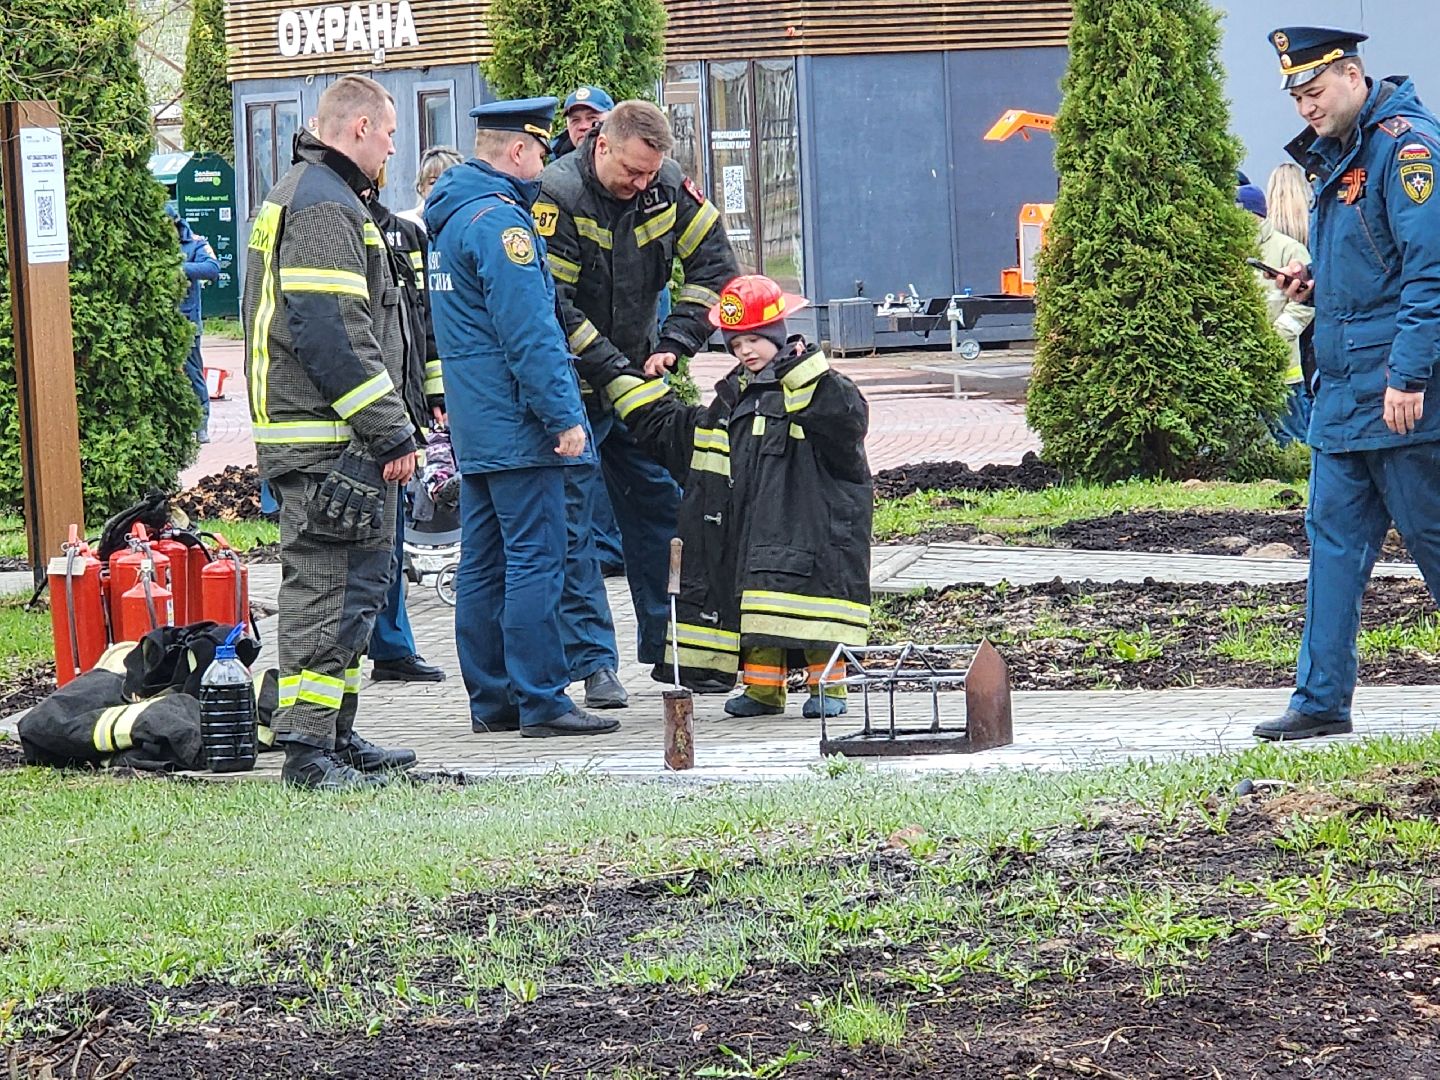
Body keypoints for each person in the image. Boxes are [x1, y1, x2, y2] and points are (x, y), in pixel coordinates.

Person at [1254, 27, 1440, 741]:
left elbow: (1428, 272)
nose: (1304, 107)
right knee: (1331, 550)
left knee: (1433, 543)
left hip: (1401, 401)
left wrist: (1411, 375)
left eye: (1314, 90)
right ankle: (1320, 700)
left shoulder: (1405, 148)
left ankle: (1321, 697)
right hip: (1342, 397)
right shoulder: (1339, 156)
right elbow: (1377, 265)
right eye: (1296, 96)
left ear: (1354, 75)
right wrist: (1316, 280)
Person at [579, 275, 872, 715]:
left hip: (811, 530)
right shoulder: (732, 400)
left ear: (777, 334)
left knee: (816, 614)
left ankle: (828, 688)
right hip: (754, 532)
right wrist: (618, 378)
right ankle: (763, 689)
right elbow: (676, 432)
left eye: (754, 340)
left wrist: (802, 368)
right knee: (754, 613)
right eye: (735, 346)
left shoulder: (816, 388)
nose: (745, 352)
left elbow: (846, 417)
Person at [241, 73, 420, 787]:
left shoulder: (322, 194)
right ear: (357, 130)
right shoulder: (323, 203)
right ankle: (308, 754)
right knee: (326, 588)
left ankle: (337, 734)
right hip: (324, 440)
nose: (392, 148)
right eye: (389, 133)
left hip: (329, 436)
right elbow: (331, 332)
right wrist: (389, 431)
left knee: (354, 590)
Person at [424, 96, 621, 738]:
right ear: (517, 152)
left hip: (478, 423)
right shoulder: (500, 224)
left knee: (483, 561)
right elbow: (531, 333)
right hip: (518, 423)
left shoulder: (453, 216)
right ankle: (542, 697)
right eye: (538, 152)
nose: (543, 164)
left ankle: (492, 699)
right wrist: (564, 417)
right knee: (538, 557)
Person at [537, 99, 740, 688]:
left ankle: (670, 647)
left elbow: (715, 269)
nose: (641, 184)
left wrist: (677, 341)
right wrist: (609, 368)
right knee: (576, 524)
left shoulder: (669, 185)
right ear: (600, 144)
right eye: (631, 172)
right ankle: (594, 664)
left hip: (641, 379)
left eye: (651, 173)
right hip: (574, 384)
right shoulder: (559, 195)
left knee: (659, 508)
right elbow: (556, 306)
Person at [362, 164, 446, 683]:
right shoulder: (327, 226)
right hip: (362, 409)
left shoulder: (404, 234)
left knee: (390, 531)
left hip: (402, 397)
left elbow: (424, 316)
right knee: (368, 539)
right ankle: (378, 643)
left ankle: (392, 646)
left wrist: (433, 389)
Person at [1237, 181, 1314, 444]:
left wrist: (1276, 337)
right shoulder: (1233, 247)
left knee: (1292, 435)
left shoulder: (1288, 249)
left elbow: (1305, 303)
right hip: (1241, 367)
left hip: (1284, 370)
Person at [168, 201, 219, 443]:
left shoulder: (196, 243)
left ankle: (201, 424)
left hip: (188, 321)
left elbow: (211, 268)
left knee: (192, 373)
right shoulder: (152, 245)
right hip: (162, 320)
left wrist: (176, 267)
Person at [397, 144, 463, 230]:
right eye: (433, 182)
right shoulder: (403, 223)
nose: (440, 188)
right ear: (421, 187)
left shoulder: (465, 224)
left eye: (448, 182)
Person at [551, 86, 614, 159]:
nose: (583, 126)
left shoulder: (625, 162)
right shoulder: (554, 164)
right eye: (575, 120)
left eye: (592, 118)